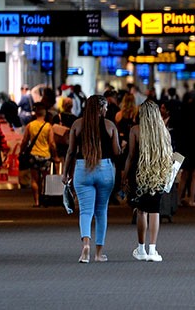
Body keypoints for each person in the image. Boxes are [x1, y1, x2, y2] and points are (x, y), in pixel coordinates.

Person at [61, 95, 121, 263]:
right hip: (105, 169)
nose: (107, 110)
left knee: (86, 211)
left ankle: (85, 246)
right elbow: (116, 153)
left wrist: (65, 173)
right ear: (101, 109)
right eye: (106, 108)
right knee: (101, 211)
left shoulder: (77, 125)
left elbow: (71, 151)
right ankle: (99, 253)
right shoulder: (110, 126)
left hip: (82, 168)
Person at [122, 100, 173, 262]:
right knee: (155, 211)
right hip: (157, 174)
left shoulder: (135, 130)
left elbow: (130, 155)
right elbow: (169, 155)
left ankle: (141, 248)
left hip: (140, 174)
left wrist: (124, 175)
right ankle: (153, 248)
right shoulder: (164, 132)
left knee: (141, 210)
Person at [20, 103, 57, 207]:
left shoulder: (30, 125)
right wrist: (55, 155)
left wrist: (21, 151)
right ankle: (44, 199)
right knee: (45, 179)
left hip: (33, 155)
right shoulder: (48, 126)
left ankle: (36, 201)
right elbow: (52, 143)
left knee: (35, 179)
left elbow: (24, 141)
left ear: (36, 113)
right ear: (44, 114)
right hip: (45, 155)